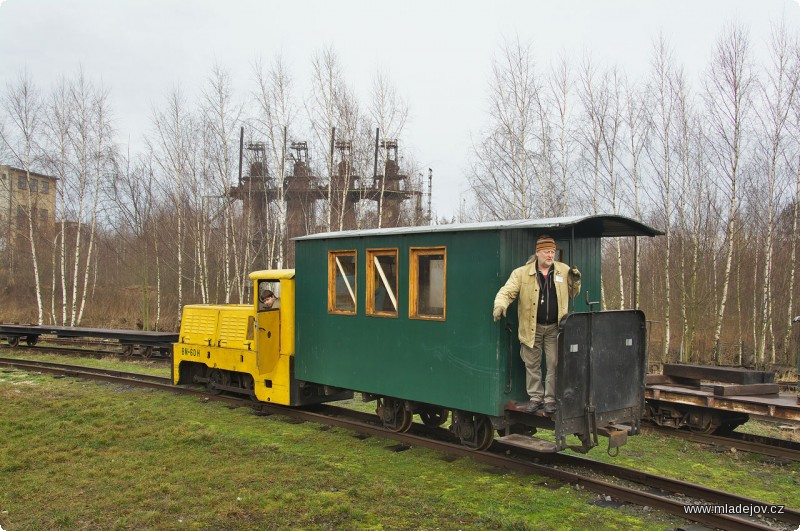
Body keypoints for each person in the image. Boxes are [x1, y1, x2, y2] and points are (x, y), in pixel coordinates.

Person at [493, 235, 581, 414]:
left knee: (554, 362)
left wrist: (576, 280)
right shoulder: (521, 273)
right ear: (537, 253)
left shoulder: (563, 270)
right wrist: (500, 305)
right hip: (531, 327)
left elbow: (573, 294)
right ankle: (535, 398)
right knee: (531, 364)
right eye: (547, 252)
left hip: (555, 328)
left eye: (553, 252)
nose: (550, 255)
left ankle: (550, 399)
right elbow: (507, 292)